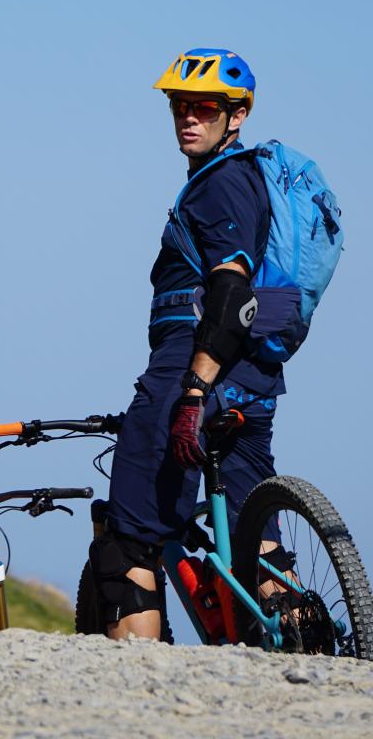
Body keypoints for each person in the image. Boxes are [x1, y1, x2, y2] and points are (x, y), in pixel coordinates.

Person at [90, 48, 284, 640]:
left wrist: (194, 388)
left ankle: (138, 691)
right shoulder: (251, 179)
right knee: (258, 534)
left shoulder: (218, 185)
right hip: (255, 373)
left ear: (238, 115)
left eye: (204, 107)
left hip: (193, 364)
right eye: (180, 106)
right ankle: (309, 650)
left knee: (129, 535)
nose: (188, 118)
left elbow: (229, 287)